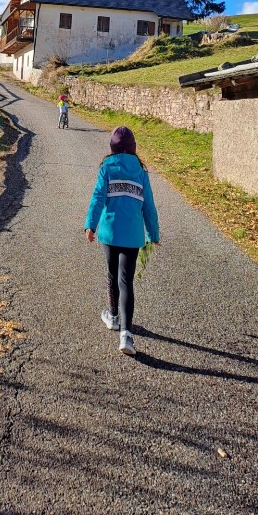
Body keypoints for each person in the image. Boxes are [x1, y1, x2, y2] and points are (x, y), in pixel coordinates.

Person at [84, 125, 159, 356]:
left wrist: (90, 225)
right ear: (133, 147)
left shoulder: (107, 167)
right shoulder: (141, 172)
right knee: (126, 281)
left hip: (109, 233)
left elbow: (98, 197)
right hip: (133, 235)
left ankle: (113, 316)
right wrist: (153, 233)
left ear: (113, 147)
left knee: (111, 275)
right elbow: (149, 206)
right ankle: (126, 335)